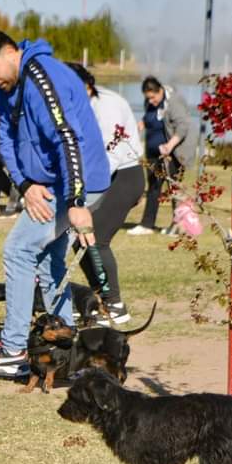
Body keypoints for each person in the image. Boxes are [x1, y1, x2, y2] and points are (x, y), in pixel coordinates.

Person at [0, 31, 109, 377]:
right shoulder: (6, 87)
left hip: (76, 182)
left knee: (19, 249)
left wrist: (74, 200)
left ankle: (13, 348)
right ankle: (66, 346)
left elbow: (67, 138)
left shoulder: (42, 75)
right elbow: (8, 138)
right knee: (48, 259)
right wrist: (25, 183)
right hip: (47, 185)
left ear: (11, 52)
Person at [66, 63, 145, 325]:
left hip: (124, 174)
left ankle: (115, 305)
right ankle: (99, 298)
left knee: (96, 238)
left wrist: (84, 187)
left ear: (85, 86)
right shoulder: (80, 106)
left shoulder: (107, 105)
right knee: (82, 238)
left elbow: (113, 153)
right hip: (99, 175)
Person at [126, 75, 198, 236]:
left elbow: (183, 127)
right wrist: (141, 124)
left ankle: (178, 225)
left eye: (153, 97)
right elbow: (149, 117)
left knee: (174, 188)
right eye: (148, 98)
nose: (151, 101)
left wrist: (169, 146)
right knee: (153, 187)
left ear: (160, 91)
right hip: (153, 152)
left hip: (172, 154)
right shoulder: (150, 102)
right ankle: (147, 224)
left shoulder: (174, 101)